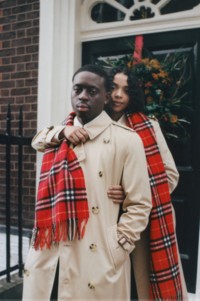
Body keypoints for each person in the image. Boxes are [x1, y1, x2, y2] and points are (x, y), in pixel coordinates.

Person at [31, 66, 188, 300]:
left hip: (137, 223)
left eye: (125, 90)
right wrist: (63, 131)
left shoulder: (145, 127)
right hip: (91, 224)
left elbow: (169, 175)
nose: (117, 95)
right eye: (114, 88)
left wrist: (128, 192)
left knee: (137, 285)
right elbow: (40, 139)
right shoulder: (75, 123)